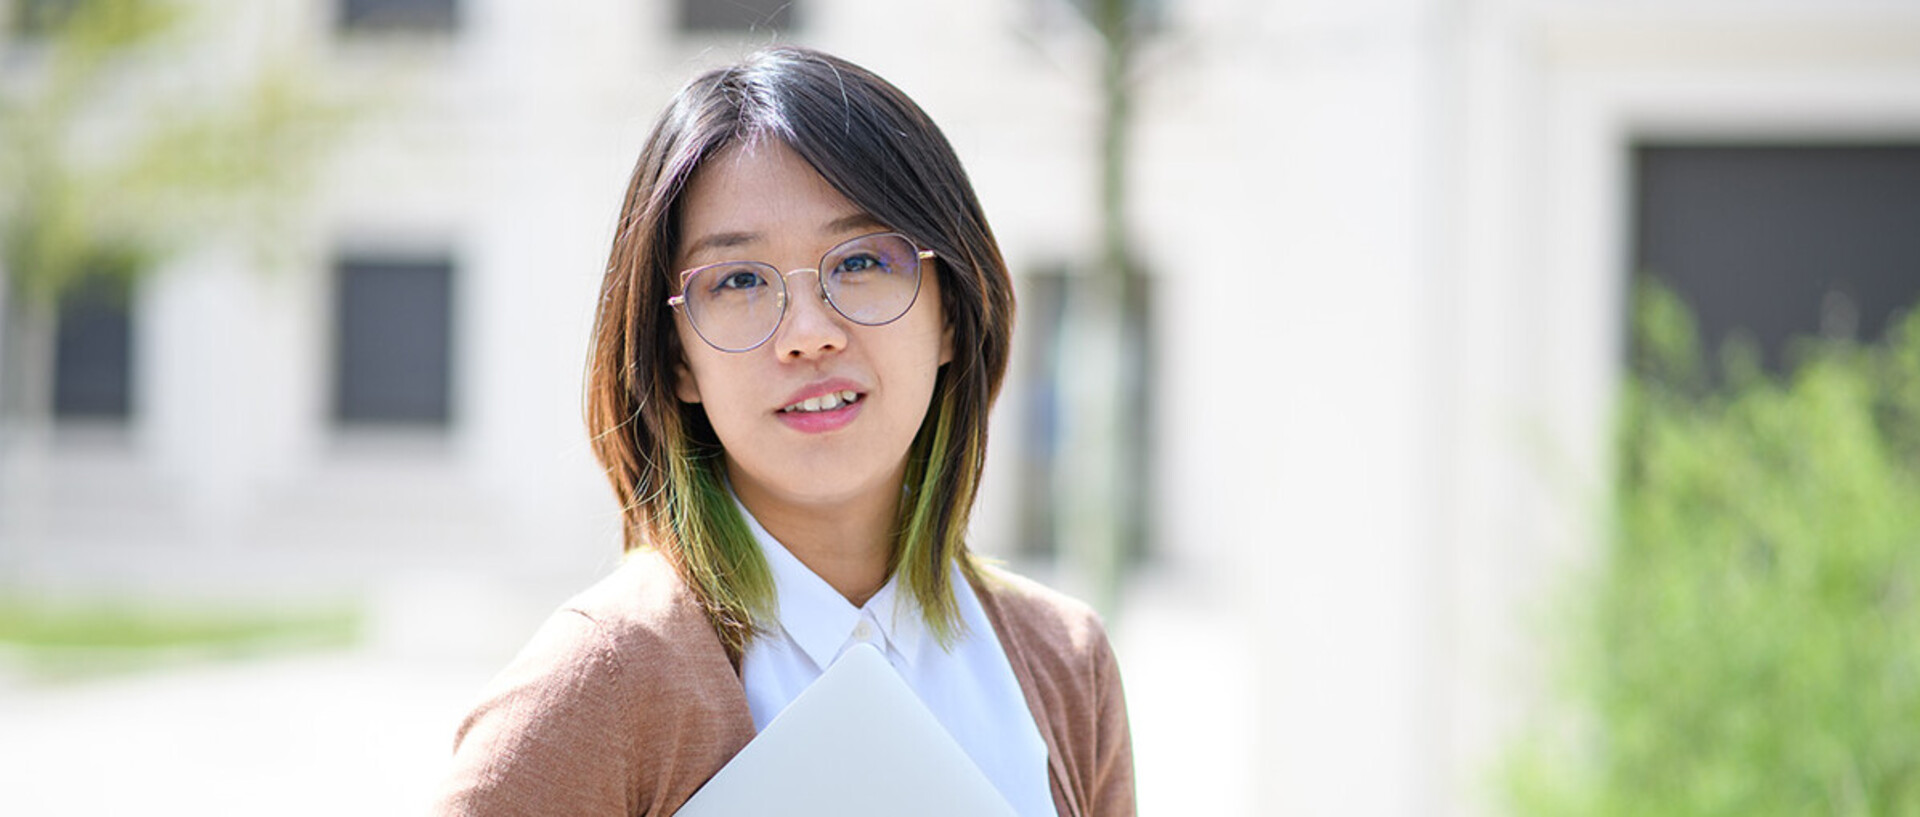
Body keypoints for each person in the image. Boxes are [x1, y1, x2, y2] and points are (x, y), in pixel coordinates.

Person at [433, 45, 1134, 817]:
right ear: (679, 363)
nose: (808, 332)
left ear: (951, 318)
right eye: (737, 280)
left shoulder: (1065, 661)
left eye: (863, 260)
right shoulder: (599, 684)